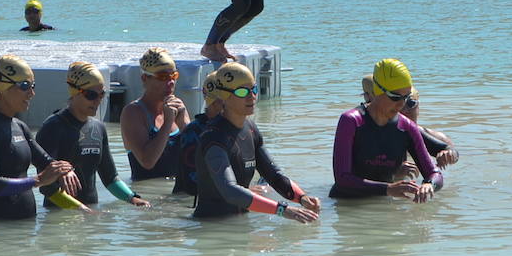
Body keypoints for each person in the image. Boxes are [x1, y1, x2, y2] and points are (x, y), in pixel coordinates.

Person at [0, 55, 88, 220]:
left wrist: (64, 169)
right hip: (0, 229)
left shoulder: (19, 126)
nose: (32, 93)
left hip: (25, 231)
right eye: (25, 86)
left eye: (33, 86)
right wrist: (37, 180)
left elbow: (45, 160)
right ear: (4, 87)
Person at [193, 63, 319, 222]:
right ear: (224, 96)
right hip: (211, 228)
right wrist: (282, 210)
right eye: (242, 91)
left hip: (240, 222)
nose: (251, 96)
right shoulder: (214, 137)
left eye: (254, 89)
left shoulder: (250, 129)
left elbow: (274, 176)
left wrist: (302, 198)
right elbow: (230, 190)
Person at [35, 62, 148, 208]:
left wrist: (132, 198)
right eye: (91, 95)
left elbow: (110, 178)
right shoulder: (53, 128)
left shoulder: (98, 128)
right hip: (60, 217)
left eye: (102, 95)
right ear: (74, 92)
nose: (98, 101)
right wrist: (80, 210)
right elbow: (46, 187)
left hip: (90, 216)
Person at [331, 59, 443, 202]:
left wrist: (430, 185)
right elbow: (343, 179)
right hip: (348, 206)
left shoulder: (407, 127)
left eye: (406, 98)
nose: (401, 105)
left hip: (384, 206)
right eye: (395, 97)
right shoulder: (351, 121)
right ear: (377, 91)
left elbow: (434, 173)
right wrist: (388, 189)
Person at [360, 76, 459, 177]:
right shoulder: (373, 134)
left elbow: (453, 155)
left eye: (411, 103)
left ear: (418, 105)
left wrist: (449, 155)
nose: (405, 110)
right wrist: (393, 173)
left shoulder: (437, 138)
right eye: (400, 105)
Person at [119, 48, 191, 182]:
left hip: (177, 194)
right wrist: (168, 123)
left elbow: (196, 153)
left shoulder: (177, 108)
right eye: (163, 77)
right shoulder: (133, 112)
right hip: (149, 195)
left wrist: (186, 127)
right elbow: (147, 161)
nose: (170, 82)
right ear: (145, 78)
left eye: (173, 76)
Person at [173, 85, 223, 197]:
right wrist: (244, 191)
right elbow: (192, 186)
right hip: (186, 204)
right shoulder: (194, 133)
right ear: (214, 102)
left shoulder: (241, 129)